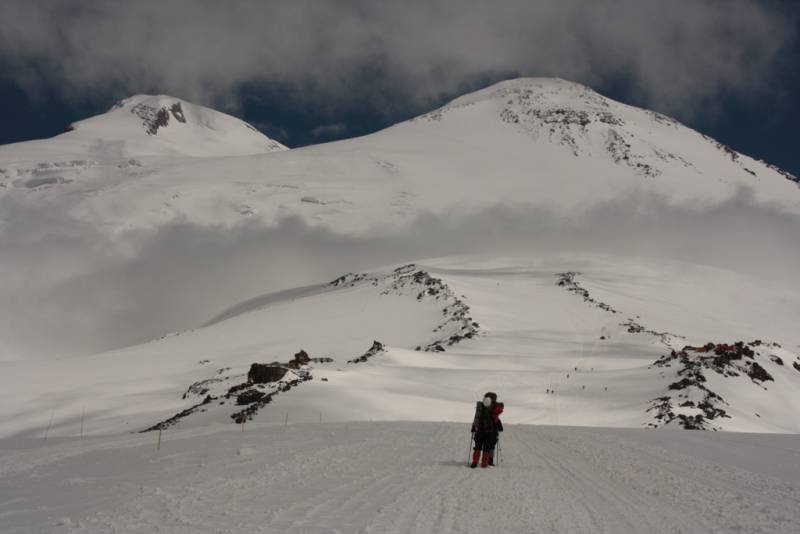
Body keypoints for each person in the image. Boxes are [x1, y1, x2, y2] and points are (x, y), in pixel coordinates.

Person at [470, 392, 504, 468]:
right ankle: (484, 463)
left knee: (478, 446)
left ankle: (475, 462)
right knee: (487, 447)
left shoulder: (481, 407)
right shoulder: (495, 408)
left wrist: (474, 426)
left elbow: (477, 417)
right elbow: (496, 418)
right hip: (490, 431)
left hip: (481, 430)